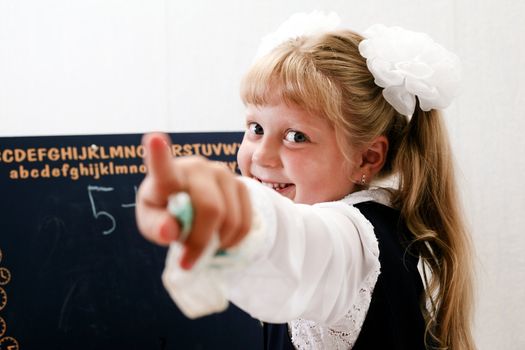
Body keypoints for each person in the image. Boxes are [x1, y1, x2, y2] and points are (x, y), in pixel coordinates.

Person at [135, 12, 475, 350]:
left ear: (368, 157)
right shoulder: (380, 223)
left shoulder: (350, 241)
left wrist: (221, 206)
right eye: (255, 128)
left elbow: (295, 242)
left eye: (296, 136)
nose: (261, 156)